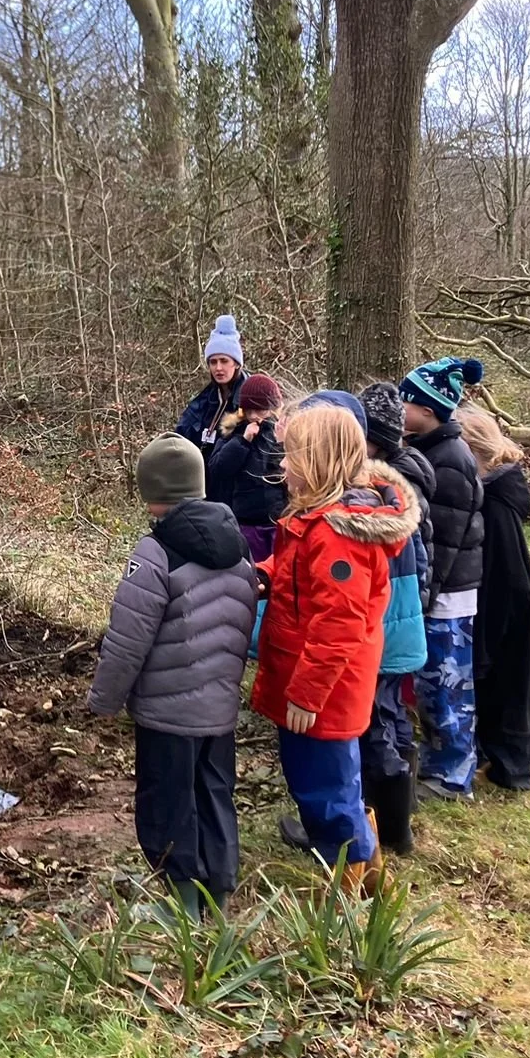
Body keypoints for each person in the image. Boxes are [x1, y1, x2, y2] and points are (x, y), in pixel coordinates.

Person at [87, 434, 259, 917]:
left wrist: (104, 699)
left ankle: (184, 905)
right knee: (215, 794)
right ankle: (219, 898)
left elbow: (127, 640)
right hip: (220, 708)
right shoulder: (238, 546)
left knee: (169, 803)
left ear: (152, 493)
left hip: (167, 713)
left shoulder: (155, 553)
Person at [249, 404, 419, 889]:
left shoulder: (335, 536)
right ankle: (368, 878)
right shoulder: (316, 522)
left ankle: (349, 891)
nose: (283, 466)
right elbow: (299, 579)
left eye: (292, 457)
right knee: (327, 784)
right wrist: (261, 576)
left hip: (322, 691)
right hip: (317, 683)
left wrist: (306, 693)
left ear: (317, 462)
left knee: (325, 789)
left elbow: (339, 622)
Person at [400, 357, 487, 802]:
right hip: (440, 591)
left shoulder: (450, 460)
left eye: (407, 401)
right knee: (433, 683)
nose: (400, 407)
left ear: (429, 410)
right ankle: (440, 763)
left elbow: (446, 542)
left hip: (447, 596)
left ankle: (453, 775)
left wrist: (426, 596)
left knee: (447, 684)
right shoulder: (432, 449)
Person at [357, 381, 437, 854]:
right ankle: (396, 823)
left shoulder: (385, 494)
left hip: (389, 624)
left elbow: (404, 565)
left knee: (380, 720)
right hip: (404, 620)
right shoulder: (403, 487)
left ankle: (386, 826)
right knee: (392, 717)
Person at [455, 407, 530, 792]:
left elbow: (509, 575)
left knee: (507, 685)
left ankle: (510, 764)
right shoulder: (498, 491)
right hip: (500, 604)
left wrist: (488, 630)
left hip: (501, 607)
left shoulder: (495, 501)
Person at [204, 371, 286, 561]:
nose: (255, 416)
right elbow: (217, 469)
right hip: (245, 522)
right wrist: (243, 441)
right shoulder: (233, 433)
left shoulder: (281, 434)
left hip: (278, 521)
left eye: (261, 411)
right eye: (250, 411)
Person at [175, 315, 247, 452]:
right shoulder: (203, 401)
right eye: (213, 362)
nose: (218, 368)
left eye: (224, 361)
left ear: (237, 363)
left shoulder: (251, 399)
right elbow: (180, 437)